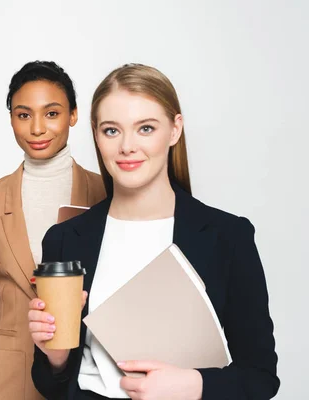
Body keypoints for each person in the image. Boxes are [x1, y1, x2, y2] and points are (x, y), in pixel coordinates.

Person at [28, 63, 280, 400]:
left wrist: (193, 385)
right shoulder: (63, 239)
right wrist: (56, 358)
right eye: (111, 131)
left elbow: (261, 377)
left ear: (175, 129)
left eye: (145, 128)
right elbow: (52, 385)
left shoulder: (228, 237)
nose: (127, 147)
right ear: (96, 134)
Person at [0, 61, 106, 400]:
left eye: (51, 114)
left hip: (87, 368)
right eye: (23, 115)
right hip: (7, 371)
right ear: (11, 120)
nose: (37, 128)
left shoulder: (103, 193)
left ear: (74, 115)